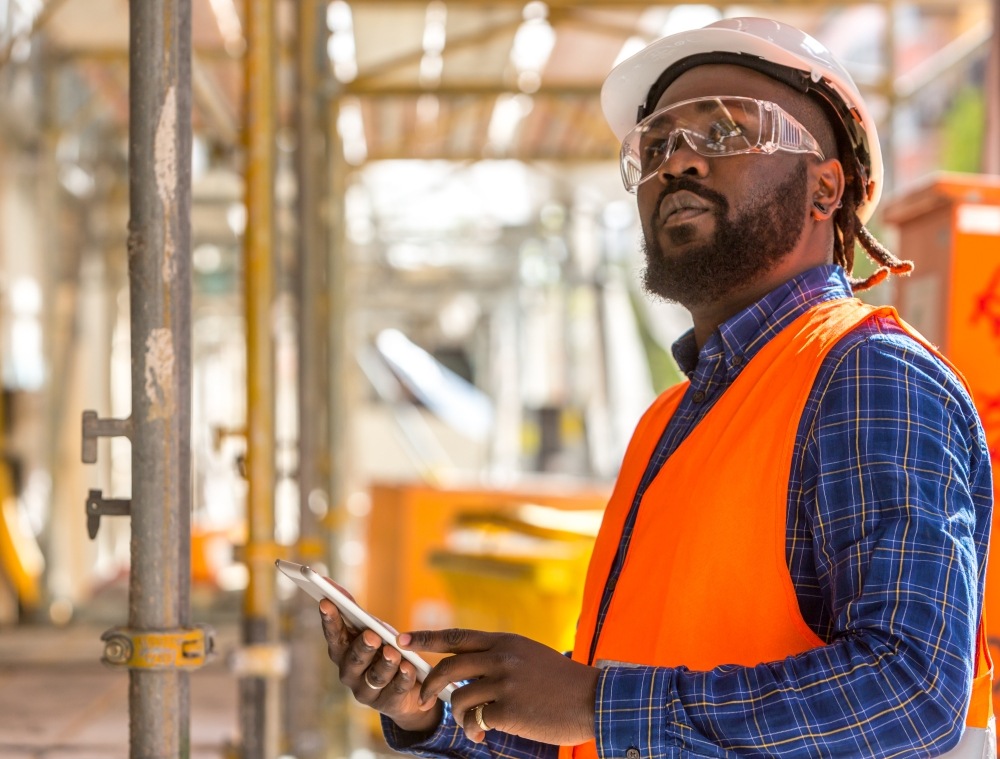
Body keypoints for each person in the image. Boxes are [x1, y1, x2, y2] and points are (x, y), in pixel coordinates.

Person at [320, 17, 995, 757]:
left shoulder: (869, 376)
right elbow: (611, 735)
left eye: (726, 133)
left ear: (825, 188)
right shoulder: (671, 419)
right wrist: (441, 713)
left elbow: (912, 690)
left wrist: (595, 699)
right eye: (658, 146)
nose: (677, 164)